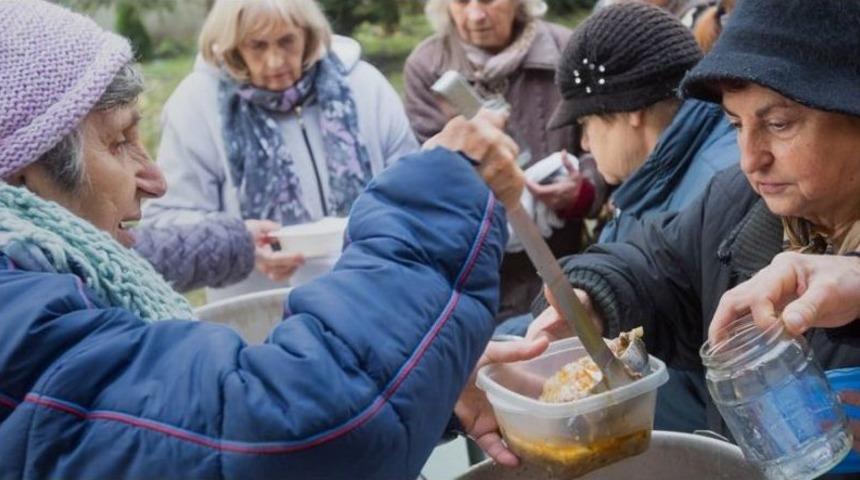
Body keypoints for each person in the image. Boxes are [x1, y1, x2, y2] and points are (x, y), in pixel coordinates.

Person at [0, 1, 527, 477]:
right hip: (317, 326)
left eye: (287, 41)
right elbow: (285, 430)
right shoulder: (22, 321)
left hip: (356, 322)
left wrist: (424, 364)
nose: (153, 180)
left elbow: (178, 442)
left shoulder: (362, 87)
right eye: (118, 141)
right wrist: (438, 195)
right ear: (23, 177)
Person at [512, 0, 860, 442]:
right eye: (735, 124)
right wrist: (592, 299)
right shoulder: (736, 201)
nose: (751, 158)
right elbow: (655, 265)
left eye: (778, 124)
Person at [142, 0, 419, 302]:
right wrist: (237, 242)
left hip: (373, 295)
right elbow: (165, 219)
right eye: (257, 46)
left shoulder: (365, 86)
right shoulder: (196, 104)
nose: (275, 62)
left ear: (309, 34)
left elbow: (412, 190)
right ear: (232, 46)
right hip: (263, 312)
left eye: (287, 41)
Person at [405, 0, 604, 322]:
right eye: (461, 2)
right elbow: (428, 174)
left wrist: (582, 190)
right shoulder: (427, 67)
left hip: (565, 268)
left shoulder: (565, 49)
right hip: (477, 280)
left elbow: (601, 140)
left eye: (488, 0)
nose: (475, 15)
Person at [549, 2, 738, 244]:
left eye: (586, 122)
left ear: (631, 109)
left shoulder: (719, 196)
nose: (585, 144)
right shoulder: (665, 180)